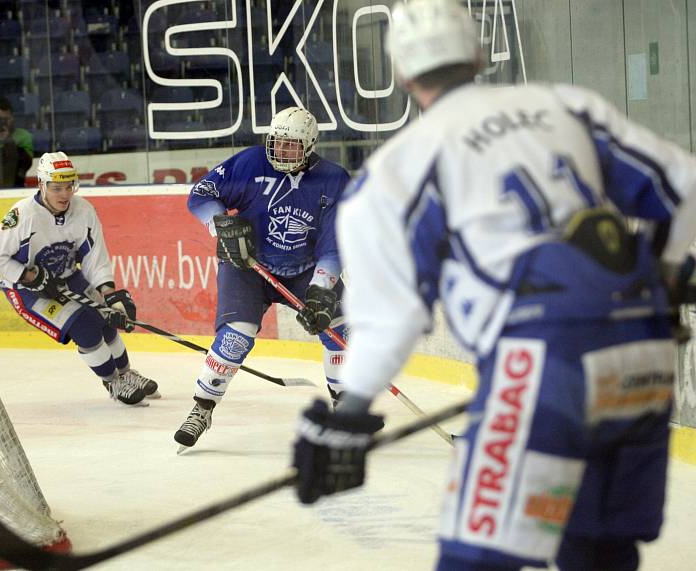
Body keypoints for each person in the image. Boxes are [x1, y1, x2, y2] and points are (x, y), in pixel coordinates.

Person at [292, 1, 696, 570]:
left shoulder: (396, 171)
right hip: (643, 352)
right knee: (600, 550)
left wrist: (348, 416)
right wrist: (671, 274)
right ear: (478, 53)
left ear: (403, 74)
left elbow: (391, 319)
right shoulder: (565, 106)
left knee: (478, 561)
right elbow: (685, 184)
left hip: (539, 363)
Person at [174, 106, 351, 449]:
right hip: (247, 266)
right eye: (277, 143)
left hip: (304, 268)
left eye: (291, 146)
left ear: (310, 146)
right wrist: (220, 223)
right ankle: (202, 407)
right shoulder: (251, 163)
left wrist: (320, 289)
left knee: (339, 327)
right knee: (237, 337)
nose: (281, 151)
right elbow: (201, 195)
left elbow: (335, 242)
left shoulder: (334, 179)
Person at [0, 151, 160, 406]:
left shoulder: (83, 210)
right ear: (41, 185)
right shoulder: (22, 215)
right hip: (26, 289)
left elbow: (94, 257)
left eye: (69, 186)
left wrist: (110, 296)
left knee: (106, 319)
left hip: (67, 276)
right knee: (84, 327)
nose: (65, 194)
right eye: (57, 188)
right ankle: (112, 381)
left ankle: (126, 372)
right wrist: (29, 275)